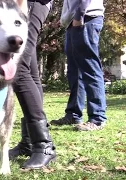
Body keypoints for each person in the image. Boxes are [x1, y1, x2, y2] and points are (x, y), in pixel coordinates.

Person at [9, 0, 56, 169]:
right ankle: (29, 141)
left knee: (18, 67)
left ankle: (43, 145)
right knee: (29, 71)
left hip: (29, 3)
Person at [50, 0, 107, 131]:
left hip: (86, 18)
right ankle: (73, 114)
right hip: (73, 21)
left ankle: (97, 118)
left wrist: (79, 15)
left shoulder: (82, 16)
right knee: (74, 72)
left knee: (90, 68)